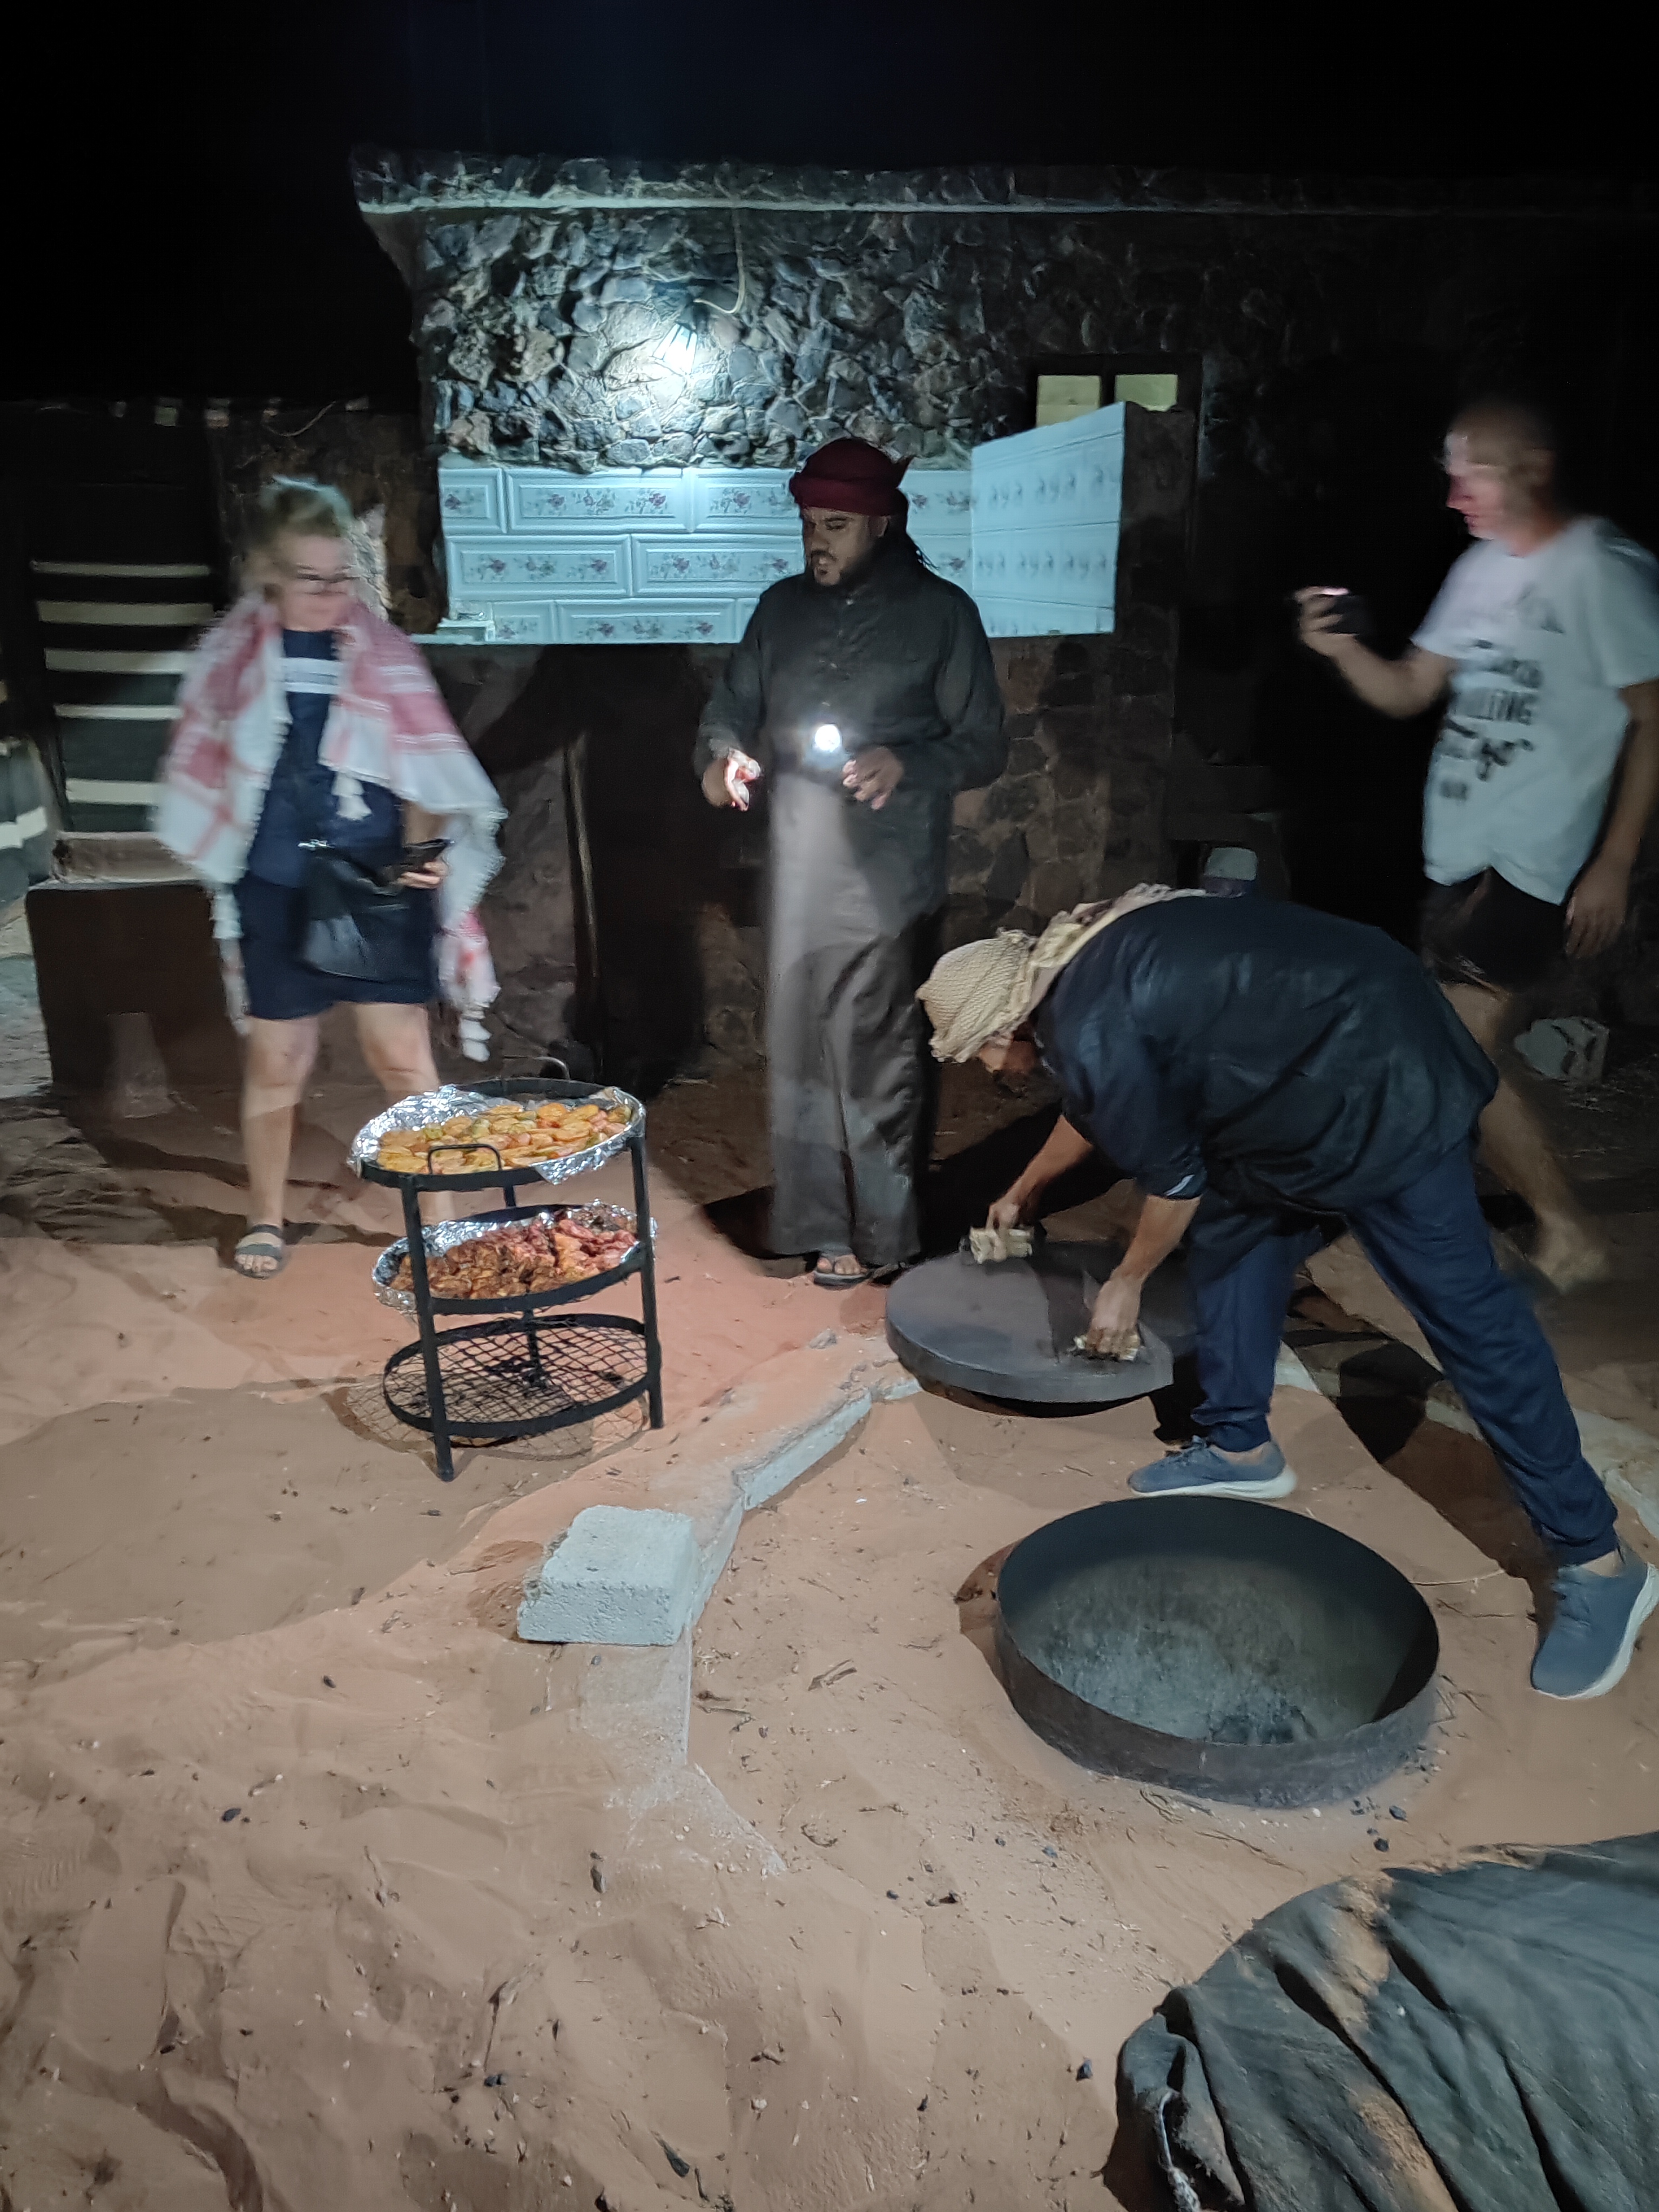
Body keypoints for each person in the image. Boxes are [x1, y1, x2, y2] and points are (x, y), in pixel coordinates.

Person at [916, 889, 1658, 1701]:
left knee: (1469, 1318)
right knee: (1239, 1230)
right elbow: (1103, 1103)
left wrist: (1125, 1284)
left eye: (978, 1055)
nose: (987, 1072)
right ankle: (1241, 1445)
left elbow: (1174, 1180)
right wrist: (1025, 1188)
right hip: (1314, 1051)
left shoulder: (1088, 1025)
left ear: (1006, 1026)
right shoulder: (1080, 958)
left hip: (1378, 1077)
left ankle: (1599, 1561)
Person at [1298, 396, 1659, 1290]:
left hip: (1536, 862)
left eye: (1473, 473)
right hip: (1458, 854)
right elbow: (1411, 689)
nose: (1456, 494)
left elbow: (1654, 718)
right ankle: (1458, 1219)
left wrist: (1613, 861)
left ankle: (1559, 1231)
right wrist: (1342, 650)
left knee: (1451, 1050)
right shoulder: (1481, 569)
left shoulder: (1603, 573)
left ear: (1531, 468)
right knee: (1443, 1054)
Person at [157, 478, 504, 1279]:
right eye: (311, 579)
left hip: (376, 877)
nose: (330, 594)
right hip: (275, 879)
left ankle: (438, 1222)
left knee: (402, 1056)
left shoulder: (381, 651)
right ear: (267, 573)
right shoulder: (229, 657)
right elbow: (207, 766)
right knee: (279, 1058)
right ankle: (266, 1216)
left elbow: (420, 761)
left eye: (341, 576)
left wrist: (420, 855)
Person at [696, 437, 1006, 1285]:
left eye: (835, 524)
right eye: (808, 525)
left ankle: (883, 1233)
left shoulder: (942, 614)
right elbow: (731, 709)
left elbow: (982, 744)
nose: (817, 542)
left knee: (872, 1047)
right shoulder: (780, 610)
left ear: (882, 521)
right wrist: (725, 759)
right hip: (798, 860)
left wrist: (912, 764)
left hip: (889, 869)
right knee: (795, 1039)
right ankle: (812, 1222)